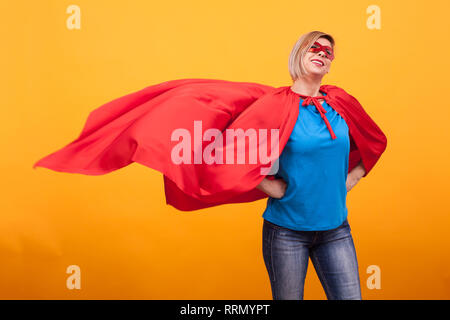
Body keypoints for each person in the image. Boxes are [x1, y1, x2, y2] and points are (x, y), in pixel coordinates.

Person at [256, 31, 365, 300]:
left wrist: (349, 180)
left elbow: (372, 141)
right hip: (286, 232)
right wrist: (270, 187)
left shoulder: (340, 103)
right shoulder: (277, 106)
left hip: (336, 230)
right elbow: (241, 154)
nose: (322, 54)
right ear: (298, 54)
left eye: (328, 53)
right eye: (314, 48)